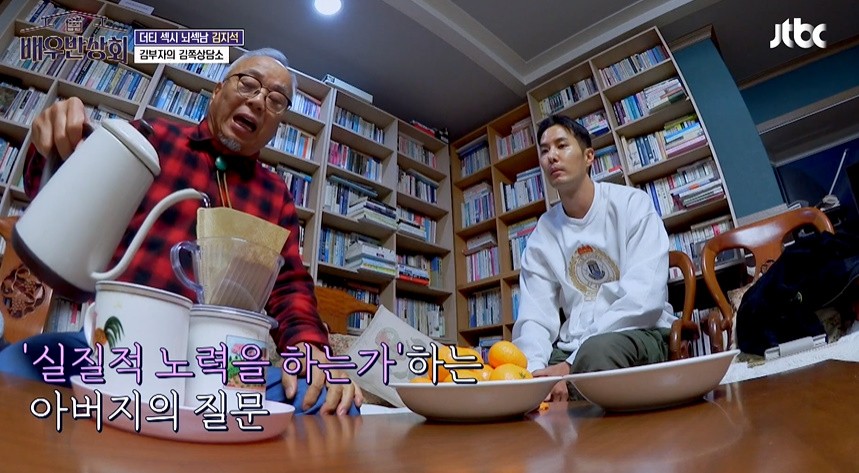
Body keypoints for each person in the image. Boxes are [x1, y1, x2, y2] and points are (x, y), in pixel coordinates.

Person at [0, 48, 362, 415]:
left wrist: (308, 347)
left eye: (276, 100)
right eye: (248, 84)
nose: (258, 102)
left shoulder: (276, 195)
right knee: (12, 371)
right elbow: (63, 202)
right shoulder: (151, 138)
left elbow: (289, 287)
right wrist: (55, 145)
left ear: (276, 126)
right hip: (116, 346)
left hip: (222, 367)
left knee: (331, 406)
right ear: (217, 92)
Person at [511, 115, 675, 401]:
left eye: (562, 145)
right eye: (544, 150)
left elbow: (644, 300)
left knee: (596, 354)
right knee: (513, 374)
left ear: (589, 157)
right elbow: (534, 316)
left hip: (639, 331)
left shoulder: (632, 205)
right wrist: (535, 374)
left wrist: (569, 366)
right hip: (571, 346)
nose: (552, 156)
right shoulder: (542, 235)